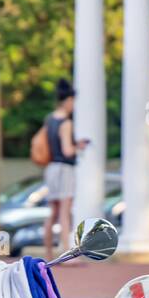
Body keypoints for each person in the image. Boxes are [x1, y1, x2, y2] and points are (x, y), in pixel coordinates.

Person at [42, 79, 89, 261]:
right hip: (64, 169)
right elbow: (67, 150)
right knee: (64, 212)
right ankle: (66, 254)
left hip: (51, 167)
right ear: (68, 100)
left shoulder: (50, 119)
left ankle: (47, 253)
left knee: (52, 212)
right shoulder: (66, 123)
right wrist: (79, 147)